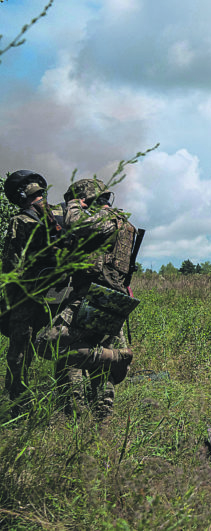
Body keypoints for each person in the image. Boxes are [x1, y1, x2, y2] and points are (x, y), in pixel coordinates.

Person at [35, 178, 137, 418]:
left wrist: (73, 204)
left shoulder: (106, 219)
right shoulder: (125, 224)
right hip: (115, 297)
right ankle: (102, 409)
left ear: (88, 200)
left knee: (48, 342)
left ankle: (117, 359)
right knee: (99, 347)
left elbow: (74, 223)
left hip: (94, 296)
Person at [1, 170, 70, 415]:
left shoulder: (21, 220)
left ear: (20, 195)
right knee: (65, 346)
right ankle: (68, 399)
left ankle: (17, 407)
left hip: (27, 297)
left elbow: (10, 265)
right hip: (61, 295)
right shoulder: (62, 215)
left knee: (19, 353)